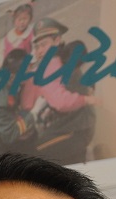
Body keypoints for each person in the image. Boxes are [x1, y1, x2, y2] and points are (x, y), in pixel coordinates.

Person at [21, 17, 98, 164]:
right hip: (74, 127)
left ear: (57, 41)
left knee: (30, 158)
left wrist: (85, 99)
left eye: (44, 45)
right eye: (37, 47)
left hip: (72, 130)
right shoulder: (57, 60)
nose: (39, 51)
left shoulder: (51, 65)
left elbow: (60, 102)